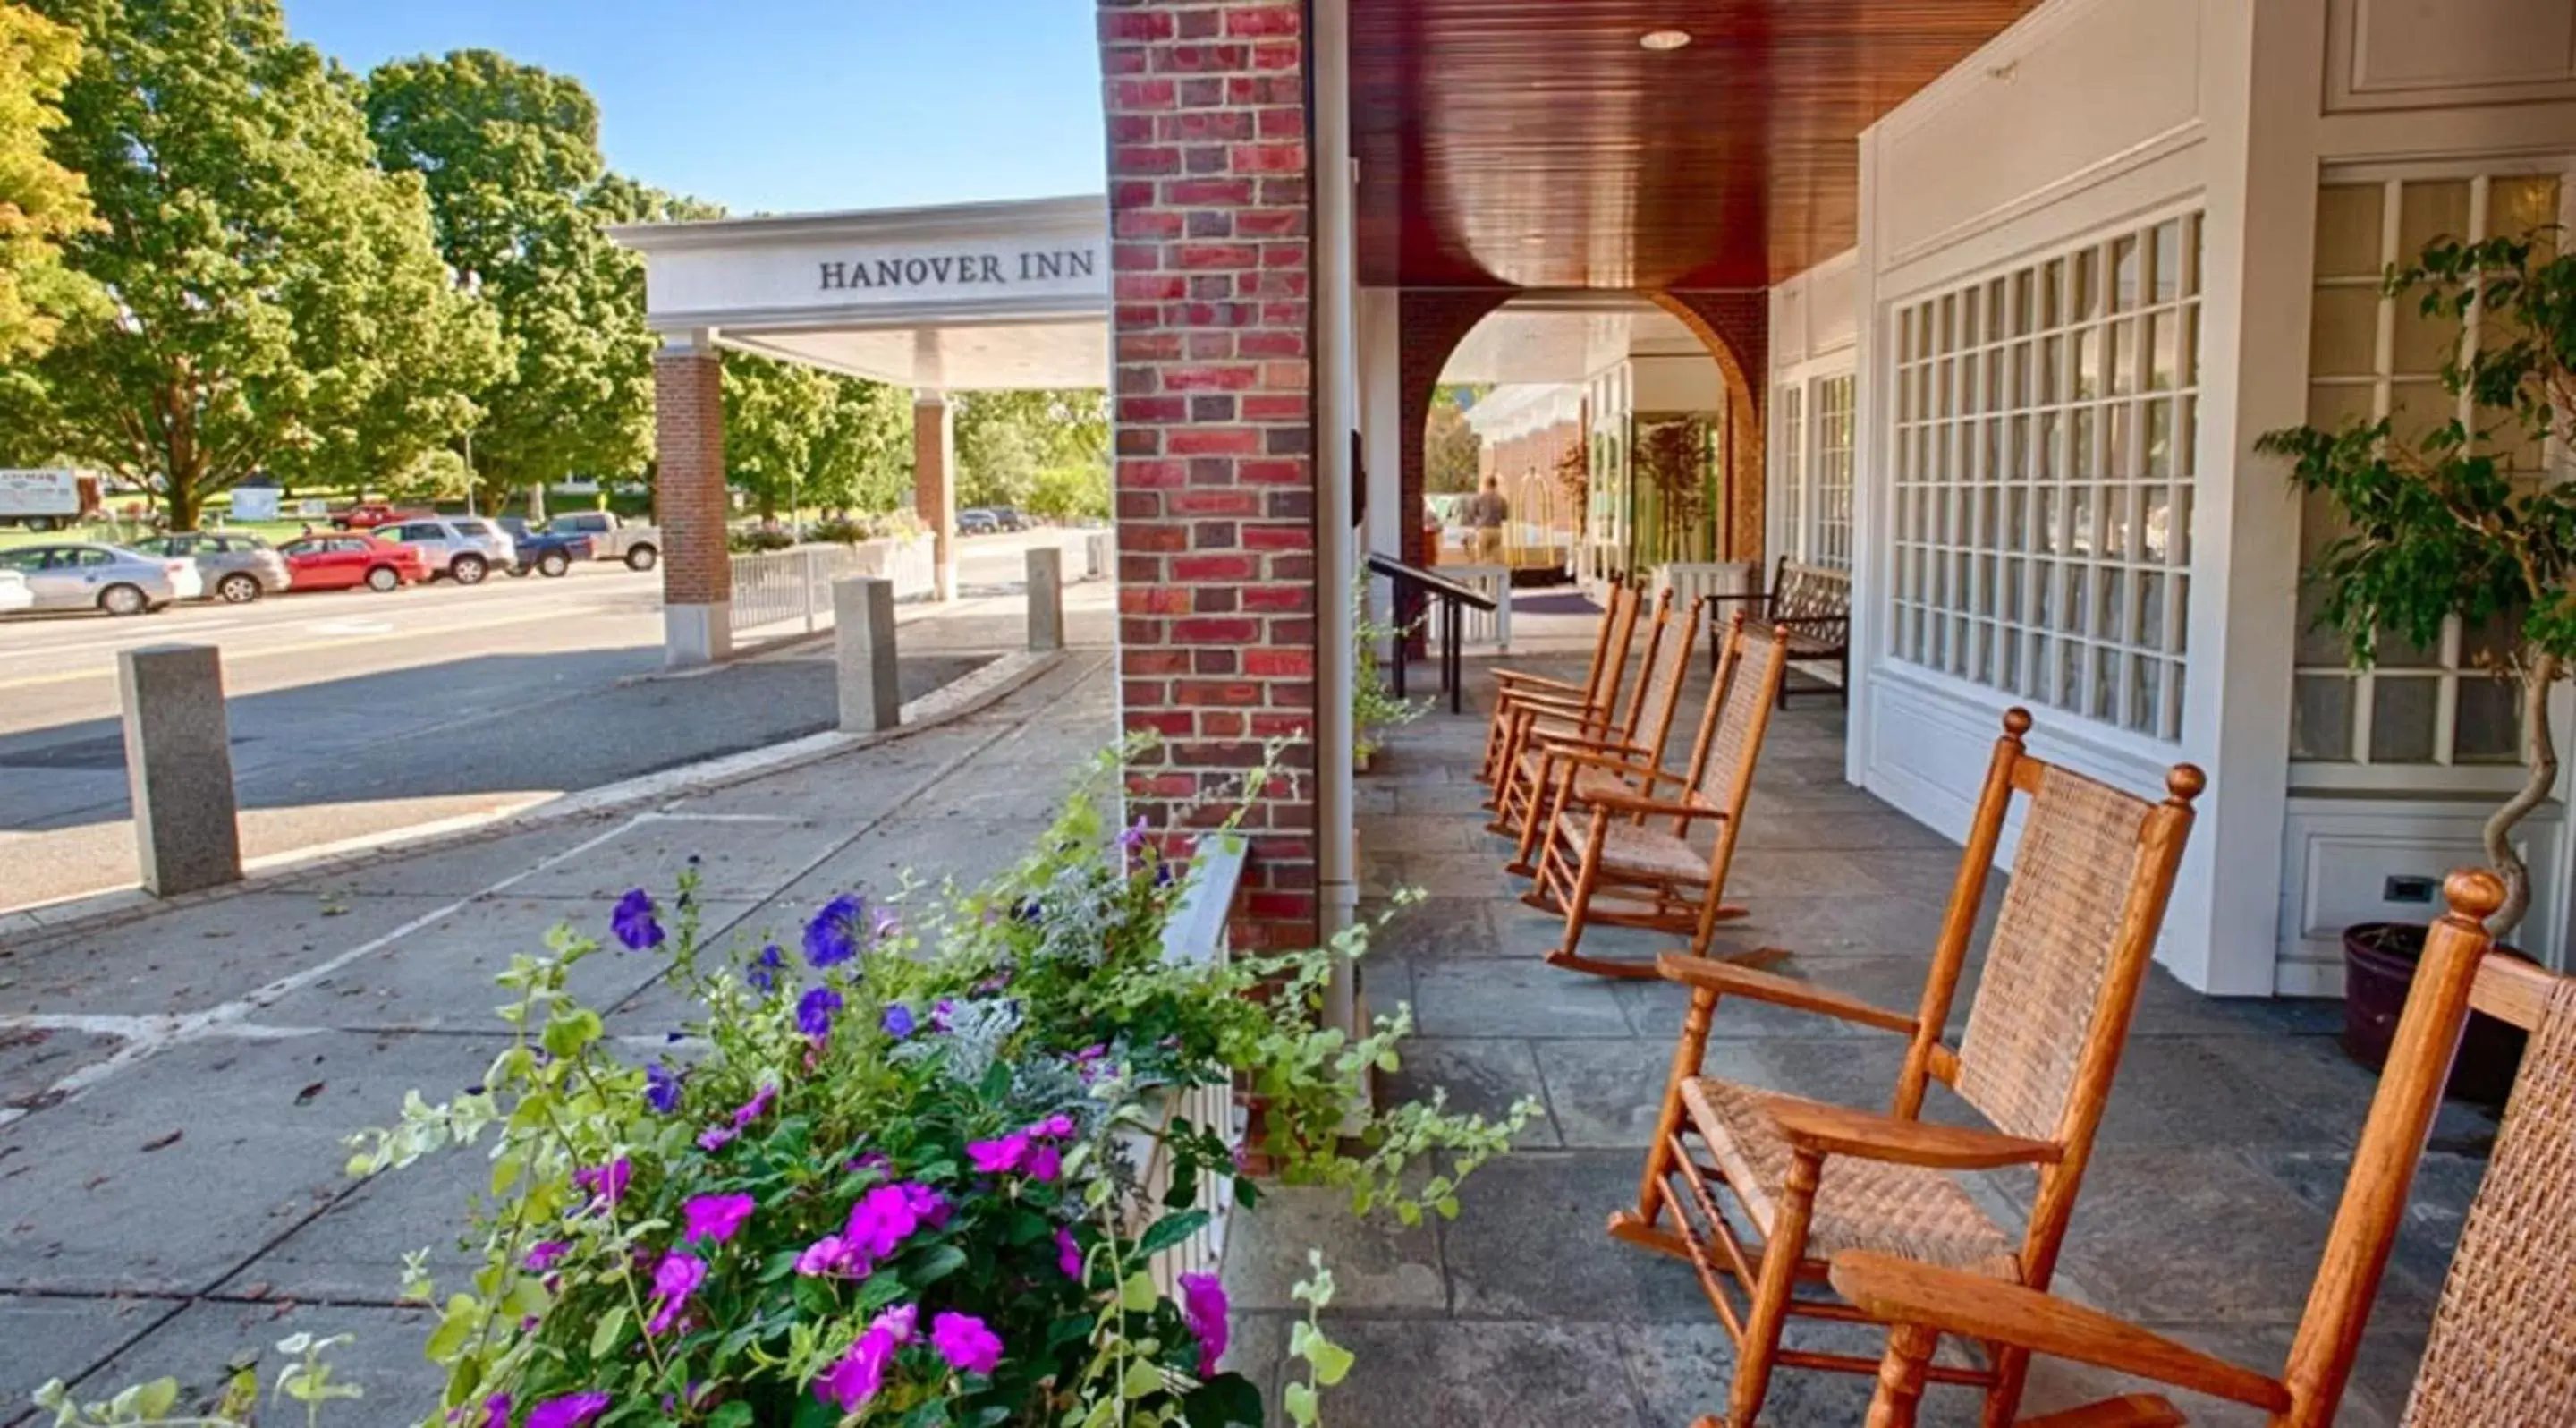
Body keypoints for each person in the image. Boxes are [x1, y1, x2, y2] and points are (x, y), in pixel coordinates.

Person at [1467, 474, 1509, 565]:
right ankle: (1492, 579)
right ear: (1496, 485)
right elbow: (1505, 516)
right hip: (1497, 530)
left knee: (1481, 558)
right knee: (1494, 559)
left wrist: (1478, 521)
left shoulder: (1480, 497)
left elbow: (1472, 512)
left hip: (1484, 529)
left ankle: (1482, 577)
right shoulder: (1501, 499)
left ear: (1486, 484)